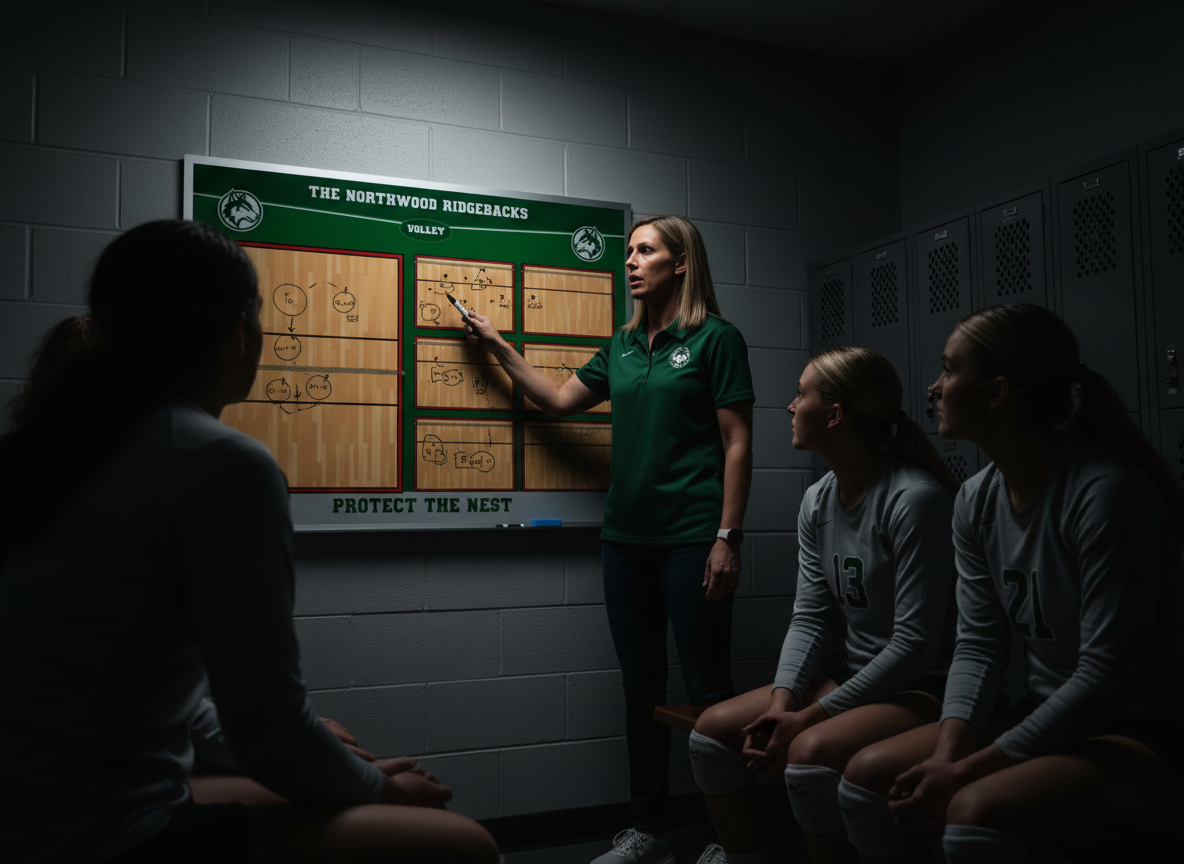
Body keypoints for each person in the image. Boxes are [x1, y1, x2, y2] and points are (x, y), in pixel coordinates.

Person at [0, 220, 499, 864]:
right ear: (238, 331)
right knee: (464, 846)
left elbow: (133, 690)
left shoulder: (51, 446)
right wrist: (379, 788)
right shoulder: (216, 460)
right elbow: (268, 731)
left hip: (34, 815)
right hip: (89, 838)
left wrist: (327, 760)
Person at [839, 303, 1184, 863]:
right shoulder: (976, 498)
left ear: (997, 393)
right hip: (1043, 715)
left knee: (975, 810)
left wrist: (968, 770)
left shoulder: (1104, 491)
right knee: (865, 778)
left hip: (1140, 733)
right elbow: (978, 646)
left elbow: (1107, 678)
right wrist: (949, 755)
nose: (934, 387)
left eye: (949, 370)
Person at [463, 215, 754, 864]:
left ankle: (730, 838)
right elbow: (559, 400)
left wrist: (727, 537)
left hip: (693, 539)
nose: (630, 261)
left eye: (645, 251)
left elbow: (738, 444)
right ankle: (648, 833)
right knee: (641, 690)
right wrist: (497, 346)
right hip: (625, 541)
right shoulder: (620, 345)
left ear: (680, 264)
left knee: (709, 691)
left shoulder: (716, 340)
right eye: (629, 251)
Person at [687, 348, 960, 864]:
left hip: (925, 688)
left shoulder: (913, 499)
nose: (790, 406)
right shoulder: (818, 498)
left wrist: (811, 715)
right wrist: (781, 705)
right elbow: (810, 615)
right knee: (711, 735)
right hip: (855, 675)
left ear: (834, 416)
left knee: (807, 758)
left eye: (801, 394)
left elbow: (915, 646)